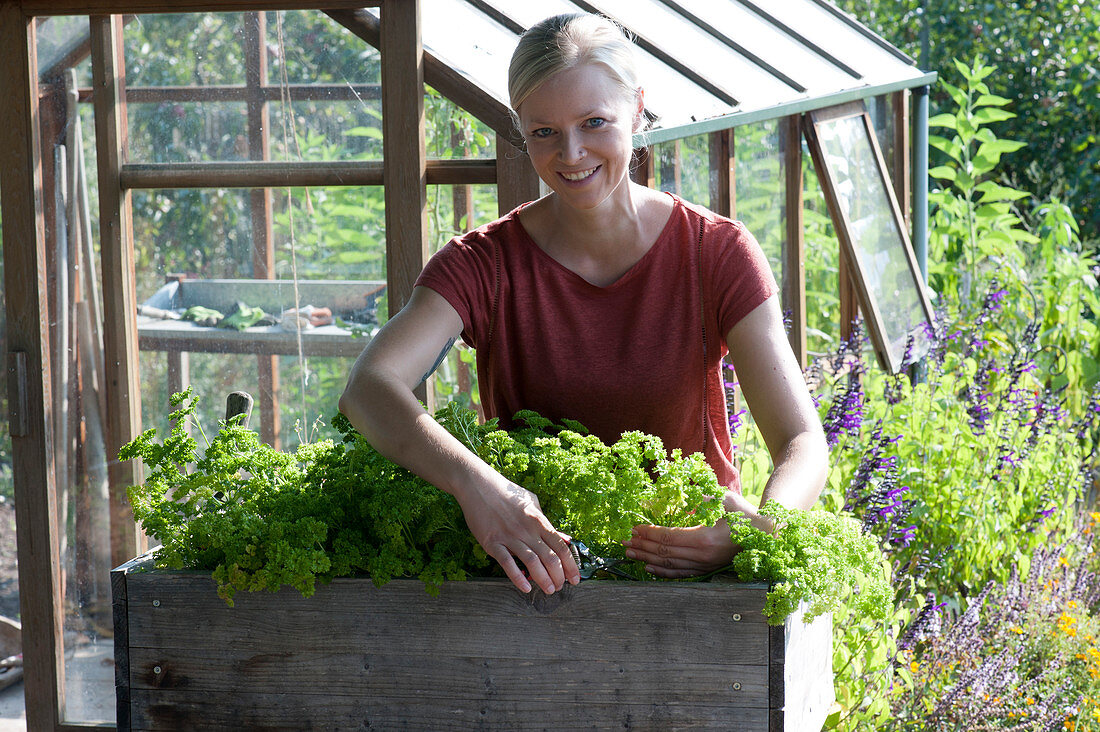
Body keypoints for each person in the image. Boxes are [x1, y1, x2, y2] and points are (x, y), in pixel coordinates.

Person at [339, 12, 827, 596]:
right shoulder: (483, 263)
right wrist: (479, 487)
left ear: (637, 110)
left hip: (694, 585)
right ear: (520, 128)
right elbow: (369, 387)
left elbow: (801, 443)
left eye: (594, 123)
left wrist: (756, 529)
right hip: (539, 584)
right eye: (543, 132)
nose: (571, 154)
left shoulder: (715, 252)